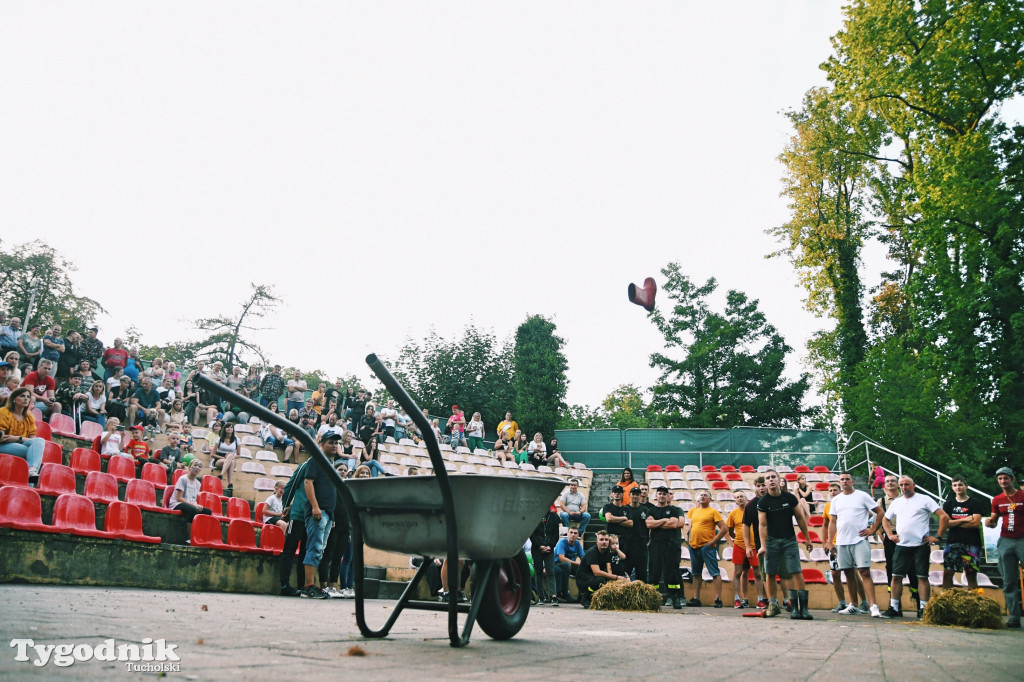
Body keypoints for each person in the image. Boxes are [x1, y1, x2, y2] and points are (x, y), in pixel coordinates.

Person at [880, 475, 949, 619]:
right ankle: (894, 607)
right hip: (902, 545)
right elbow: (885, 519)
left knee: (922, 577)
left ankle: (924, 608)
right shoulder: (897, 502)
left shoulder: (925, 499)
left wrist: (938, 537)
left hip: (920, 545)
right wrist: (889, 535)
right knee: (896, 576)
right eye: (902, 485)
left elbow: (943, 517)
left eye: (907, 484)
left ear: (913, 485)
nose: (904, 487)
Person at [757, 469, 815, 619]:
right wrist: (763, 546)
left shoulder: (789, 498)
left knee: (796, 571)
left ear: (778, 479)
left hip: (790, 540)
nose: (770, 480)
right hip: (771, 541)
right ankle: (773, 604)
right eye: (767, 478)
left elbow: (800, 518)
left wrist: (807, 538)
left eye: (773, 477)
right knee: (769, 573)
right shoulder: (763, 502)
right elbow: (762, 526)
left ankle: (801, 608)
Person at [825, 472, 883, 617]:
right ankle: (854, 605)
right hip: (841, 541)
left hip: (859, 540)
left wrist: (873, 529)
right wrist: (829, 541)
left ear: (852, 481)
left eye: (847, 479)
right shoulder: (836, 500)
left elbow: (880, 512)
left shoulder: (862, 496)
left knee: (864, 572)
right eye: (842, 480)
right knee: (848, 573)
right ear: (839, 482)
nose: (844, 482)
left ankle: (873, 606)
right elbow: (832, 521)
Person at [299, 430, 343, 599]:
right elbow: (308, 483)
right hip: (318, 512)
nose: (334, 445)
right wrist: (315, 507)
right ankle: (308, 586)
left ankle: (312, 585)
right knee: (315, 547)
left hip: (327, 514)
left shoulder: (330, 464)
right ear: (322, 444)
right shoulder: (316, 461)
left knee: (320, 549)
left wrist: (331, 516)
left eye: (336, 443)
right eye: (331, 442)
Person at [984, 466, 1024, 629]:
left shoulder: (1022, 495)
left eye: (1005, 478)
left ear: (1012, 479)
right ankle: (1014, 617)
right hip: (1006, 540)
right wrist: (990, 522)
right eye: (1000, 479)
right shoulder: (997, 499)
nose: (1003, 481)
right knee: (1009, 580)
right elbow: (994, 520)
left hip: (1022, 539)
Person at [877, 472, 919, 608]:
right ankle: (895, 604)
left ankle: (918, 600)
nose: (890, 483)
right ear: (884, 484)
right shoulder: (881, 501)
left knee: (913, 568)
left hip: (907, 536)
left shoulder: (907, 498)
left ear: (898, 483)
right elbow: (878, 520)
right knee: (891, 568)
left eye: (893, 481)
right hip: (891, 537)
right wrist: (883, 536)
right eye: (887, 481)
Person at [941, 476, 988, 591]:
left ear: (966, 486)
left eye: (960, 484)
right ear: (952, 487)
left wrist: (954, 522)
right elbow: (946, 524)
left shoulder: (975, 503)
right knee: (947, 573)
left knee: (971, 574)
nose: (958, 487)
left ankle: (973, 603)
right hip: (953, 542)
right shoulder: (948, 504)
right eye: (955, 485)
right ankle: (947, 601)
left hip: (972, 543)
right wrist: (965, 519)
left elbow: (975, 524)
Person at [685, 490, 727, 608]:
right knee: (696, 573)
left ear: (710, 499)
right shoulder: (693, 511)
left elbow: (724, 528)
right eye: (701, 495)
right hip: (693, 546)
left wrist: (713, 541)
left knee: (714, 572)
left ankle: (718, 599)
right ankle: (696, 598)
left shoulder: (713, 512)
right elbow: (691, 527)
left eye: (705, 495)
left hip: (707, 546)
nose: (703, 496)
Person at [647, 485, 685, 609]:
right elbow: (648, 524)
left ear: (667, 496)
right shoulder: (651, 510)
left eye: (664, 494)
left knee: (672, 571)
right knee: (654, 571)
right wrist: (664, 520)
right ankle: (653, 598)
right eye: (660, 494)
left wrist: (657, 522)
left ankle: (675, 598)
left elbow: (673, 524)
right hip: (656, 544)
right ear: (656, 496)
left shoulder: (673, 510)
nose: (662, 496)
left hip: (670, 544)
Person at [0, 387, 47, 478]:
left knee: (40, 441)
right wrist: (20, 439)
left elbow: (33, 440)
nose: (26, 399)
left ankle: (31, 472)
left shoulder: (29, 416)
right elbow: (1, 438)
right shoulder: (3, 412)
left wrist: (17, 438)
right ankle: (30, 480)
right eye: (22, 396)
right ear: (14, 399)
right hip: (3, 445)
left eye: (28, 397)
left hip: (19, 444)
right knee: (34, 452)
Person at [577, 530, 628, 608]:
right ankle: (585, 598)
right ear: (597, 542)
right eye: (601, 540)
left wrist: (620, 577)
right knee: (600, 580)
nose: (604, 542)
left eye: (606, 540)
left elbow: (611, 567)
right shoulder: (592, 552)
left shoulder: (607, 551)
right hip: (583, 580)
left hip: (593, 577)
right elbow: (597, 572)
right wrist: (617, 577)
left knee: (606, 578)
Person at [740, 476, 769, 609]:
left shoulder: (776, 500)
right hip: (760, 544)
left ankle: (787, 600)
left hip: (780, 541)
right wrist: (747, 546)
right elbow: (745, 525)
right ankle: (768, 600)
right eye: (758, 486)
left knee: (784, 574)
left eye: (763, 485)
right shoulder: (751, 505)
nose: (761, 488)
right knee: (764, 573)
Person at [726, 490, 755, 608]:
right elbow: (728, 531)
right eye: (737, 497)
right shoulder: (733, 514)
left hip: (754, 546)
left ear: (746, 498)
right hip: (739, 546)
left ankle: (759, 599)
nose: (740, 499)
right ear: (735, 500)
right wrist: (733, 542)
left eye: (741, 496)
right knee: (738, 572)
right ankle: (737, 599)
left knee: (757, 573)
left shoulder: (754, 511)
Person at [530, 503, 561, 605]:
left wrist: (550, 546)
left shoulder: (554, 517)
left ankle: (553, 596)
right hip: (537, 548)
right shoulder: (534, 517)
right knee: (538, 572)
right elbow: (532, 534)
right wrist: (539, 545)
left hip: (549, 548)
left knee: (551, 571)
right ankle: (541, 596)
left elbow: (556, 534)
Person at [623, 484, 649, 582]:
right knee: (626, 573)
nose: (635, 496)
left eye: (637, 494)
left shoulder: (645, 510)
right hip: (627, 545)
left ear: (640, 496)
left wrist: (648, 540)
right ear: (629, 495)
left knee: (642, 574)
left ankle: (642, 596)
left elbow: (649, 527)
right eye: (633, 494)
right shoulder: (624, 509)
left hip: (641, 546)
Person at [554, 526, 585, 603]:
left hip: (568, 566)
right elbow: (561, 558)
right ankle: (564, 593)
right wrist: (575, 563)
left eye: (575, 533)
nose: (573, 535)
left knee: (581, 570)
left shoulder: (577, 544)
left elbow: (583, 558)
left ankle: (581, 595)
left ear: (578, 535)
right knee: (567, 565)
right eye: (571, 532)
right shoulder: (562, 542)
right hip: (556, 564)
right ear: (567, 534)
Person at [208, 421, 239, 497]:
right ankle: (230, 483)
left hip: (232, 458)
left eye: (231, 427)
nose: (229, 428)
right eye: (228, 427)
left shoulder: (236, 440)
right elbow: (212, 454)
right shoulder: (219, 439)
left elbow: (239, 455)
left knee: (231, 457)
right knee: (230, 460)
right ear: (224, 429)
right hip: (220, 459)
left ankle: (221, 475)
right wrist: (224, 457)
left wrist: (230, 457)